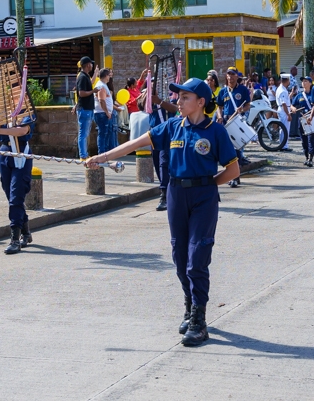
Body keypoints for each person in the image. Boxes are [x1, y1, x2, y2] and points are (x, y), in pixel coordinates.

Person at [88, 77, 240, 347]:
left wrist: (206, 185)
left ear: (201, 102)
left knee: (197, 257)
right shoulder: (171, 127)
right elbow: (136, 143)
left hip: (203, 197)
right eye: (178, 97)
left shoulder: (215, 131)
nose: (178, 102)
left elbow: (233, 170)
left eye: (184, 98)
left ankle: (199, 321)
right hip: (176, 194)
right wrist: (103, 158)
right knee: (180, 257)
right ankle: (189, 305)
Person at [0, 85, 36, 254]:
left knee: (16, 195)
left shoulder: (27, 113)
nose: (16, 96)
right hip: (5, 152)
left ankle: (15, 239)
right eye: (14, 93)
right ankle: (26, 231)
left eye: (20, 94)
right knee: (10, 195)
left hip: (21, 153)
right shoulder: (4, 112)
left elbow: (23, 130)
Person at [74, 56, 96, 159]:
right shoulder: (82, 77)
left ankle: (84, 153)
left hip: (87, 109)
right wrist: (93, 91)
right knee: (83, 133)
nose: (92, 65)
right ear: (87, 65)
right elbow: (81, 93)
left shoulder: (85, 76)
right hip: (84, 109)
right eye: (91, 64)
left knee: (85, 133)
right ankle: (83, 155)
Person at [94, 67, 117, 154]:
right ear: (105, 76)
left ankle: (104, 153)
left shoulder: (103, 85)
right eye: (108, 75)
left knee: (105, 133)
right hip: (102, 114)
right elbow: (101, 100)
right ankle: (102, 154)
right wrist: (107, 112)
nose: (110, 77)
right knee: (103, 134)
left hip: (103, 113)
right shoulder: (101, 86)